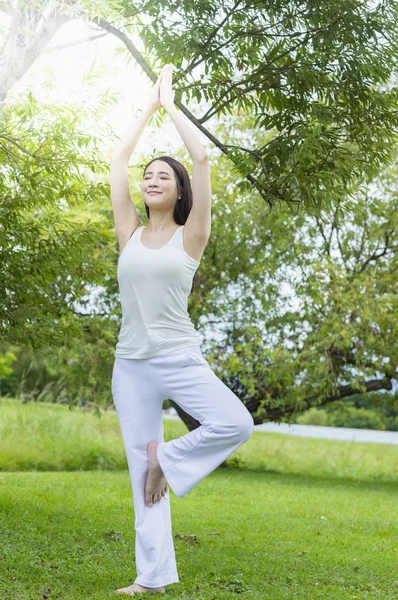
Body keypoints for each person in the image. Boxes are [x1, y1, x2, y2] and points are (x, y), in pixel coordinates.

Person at [110, 64, 254, 596]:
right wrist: (145, 107)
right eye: (148, 175)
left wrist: (171, 105)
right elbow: (118, 159)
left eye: (161, 176)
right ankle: (151, 579)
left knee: (235, 423)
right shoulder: (128, 232)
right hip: (131, 366)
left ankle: (167, 460)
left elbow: (202, 157)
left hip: (179, 357)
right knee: (138, 474)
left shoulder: (191, 236)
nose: (149, 179)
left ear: (179, 190)